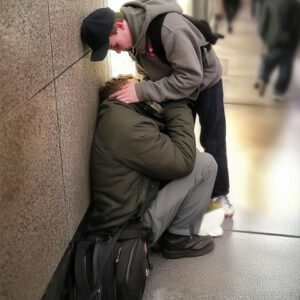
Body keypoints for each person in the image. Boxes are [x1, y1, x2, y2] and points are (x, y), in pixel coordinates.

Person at [81, 0, 235, 217]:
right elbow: (152, 71)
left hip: (205, 81)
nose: (116, 52)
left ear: (122, 26)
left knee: (213, 138)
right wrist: (142, 85)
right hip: (176, 82)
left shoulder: (170, 29)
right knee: (180, 140)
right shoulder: (133, 41)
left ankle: (220, 193)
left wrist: (143, 92)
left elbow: (191, 77)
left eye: (114, 45)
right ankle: (192, 189)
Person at [86, 75, 218, 258]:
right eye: (136, 86)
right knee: (205, 164)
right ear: (120, 95)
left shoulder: (120, 117)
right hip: (131, 228)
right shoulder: (127, 127)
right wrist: (176, 101)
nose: (144, 88)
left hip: (131, 209)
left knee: (196, 158)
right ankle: (179, 240)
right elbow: (184, 160)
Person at [254, 0, 300, 101]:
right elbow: (296, 26)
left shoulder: (269, 2)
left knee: (267, 61)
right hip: (287, 42)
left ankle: (263, 77)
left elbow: (262, 23)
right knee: (285, 68)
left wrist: (265, 38)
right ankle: (279, 92)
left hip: (271, 39)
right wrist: (295, 44)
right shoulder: (294, 4)